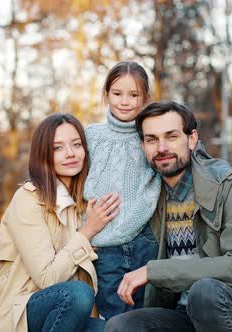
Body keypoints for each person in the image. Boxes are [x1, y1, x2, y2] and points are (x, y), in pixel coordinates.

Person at [106, 101, 232, 332]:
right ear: (143, 145)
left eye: (171, 136)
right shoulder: (149, 197)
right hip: (181, 314)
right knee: (122, 326)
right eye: (152, 139)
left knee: (204, 292)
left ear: (191, 139)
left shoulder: (228, 185)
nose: (161, 148)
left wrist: (153, 271)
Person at [0, 113, 121, 332]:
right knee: (77, 293)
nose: (70, 154)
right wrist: (87, 232)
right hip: (19, 318)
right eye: (58, 148)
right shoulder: (28, 200)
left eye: (76, 144)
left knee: (114, 329)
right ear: (43, 155)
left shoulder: (82, 204)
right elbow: (48, 278)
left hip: (62, 317)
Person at [83, 61, 161, 319]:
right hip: (104, 246)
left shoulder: (152, 134)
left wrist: (230, 184)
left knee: (143, 317)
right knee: (114, 316)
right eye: (117, 93)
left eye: (134, 94)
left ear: (145, 98)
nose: (125, 101)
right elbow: (65, 169)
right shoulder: (91, 135)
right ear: (106, 94)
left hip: (144, 240)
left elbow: (190, 152)